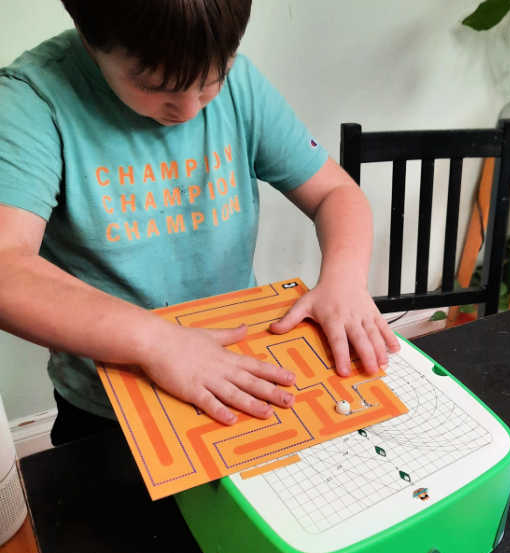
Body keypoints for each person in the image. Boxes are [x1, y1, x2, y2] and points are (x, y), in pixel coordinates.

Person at [0, 0, 399, 446]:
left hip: (237, 376)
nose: (190, 110)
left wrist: (344, 280)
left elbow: (335, 192)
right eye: (157, 85)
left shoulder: (242, 87)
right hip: (111, 410)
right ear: (87, 32)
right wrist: (156, 342)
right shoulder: (32, 101)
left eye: (213, 81)